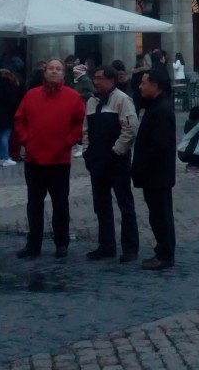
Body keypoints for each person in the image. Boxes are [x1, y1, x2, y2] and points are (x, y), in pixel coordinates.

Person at [13, 58, 85, 259]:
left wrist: (68, 141)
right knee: (34, 204)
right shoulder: (31, 95)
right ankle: (33, 244)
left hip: (59, 160)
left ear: (64, 73)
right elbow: (19, 120)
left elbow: (79, 123)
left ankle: (62, 242)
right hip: (34, 160)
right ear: (45, 73)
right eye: (51, 68)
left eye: (58, 69)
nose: (54, 72)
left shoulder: (73, 97)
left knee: (60, 204)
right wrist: (27, 140)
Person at [83, 66, 140, 263]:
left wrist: (117, 151)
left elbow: (130, 129)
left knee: (125, 203)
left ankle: (130, 247)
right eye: (95, 78)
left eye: (99, 78)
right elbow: (85, 130)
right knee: (101, 204)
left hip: (117, 161)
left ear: (111, 81)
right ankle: (106, 245)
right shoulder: (92, 101)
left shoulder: (122, 100)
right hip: (97, 161)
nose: (96, 81)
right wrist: (86, 151)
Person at [131, 67, 177, 270]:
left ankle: (164, 254)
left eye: (144, 82)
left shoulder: (161, 110)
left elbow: (159, 146)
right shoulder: (156, 106)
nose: (140, 86)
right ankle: (163, 251)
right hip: (155, 174)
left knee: (161, 215)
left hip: (157, 174)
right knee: (157, 214)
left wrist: (144, 167)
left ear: (155, 85)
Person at [0, 68, 20, 167]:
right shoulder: (8, 86)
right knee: (5, 135)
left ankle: (0, 158)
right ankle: (6, 158)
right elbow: (13, 101)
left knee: (0, 135)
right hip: (7, 113)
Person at [177, 105, 199, 171]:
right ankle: (194, 166)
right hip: (189, 152)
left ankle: (192, 165)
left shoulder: (191, 123)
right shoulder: (197, 125)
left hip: (181, 151)